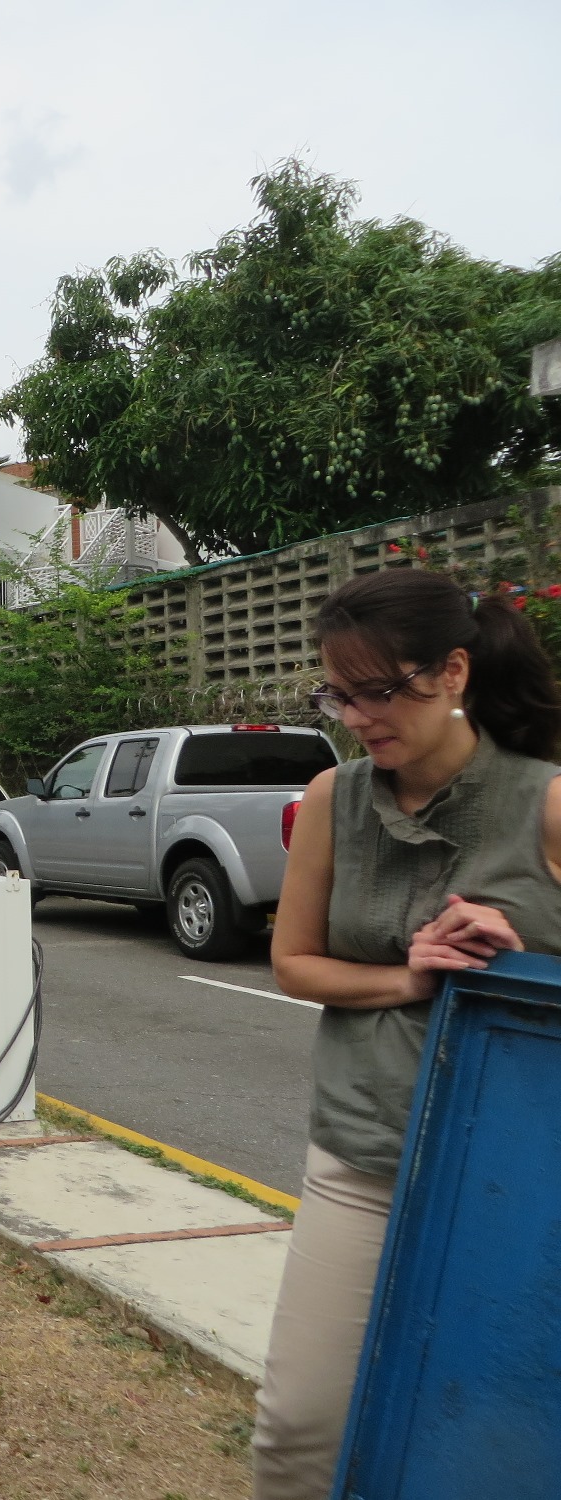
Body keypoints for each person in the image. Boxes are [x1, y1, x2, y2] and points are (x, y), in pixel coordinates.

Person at [255, 567, 561, 1497]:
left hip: (519, 1170)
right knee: (299, 1429)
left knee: (488, 1436)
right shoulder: (333, 798)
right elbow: (293, 963)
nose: (358, 717)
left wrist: (519, 970)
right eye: (338, 695)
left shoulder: (547, 803)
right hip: (362, 1151)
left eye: (380, 691)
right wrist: (409, 978)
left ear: (453, 671)